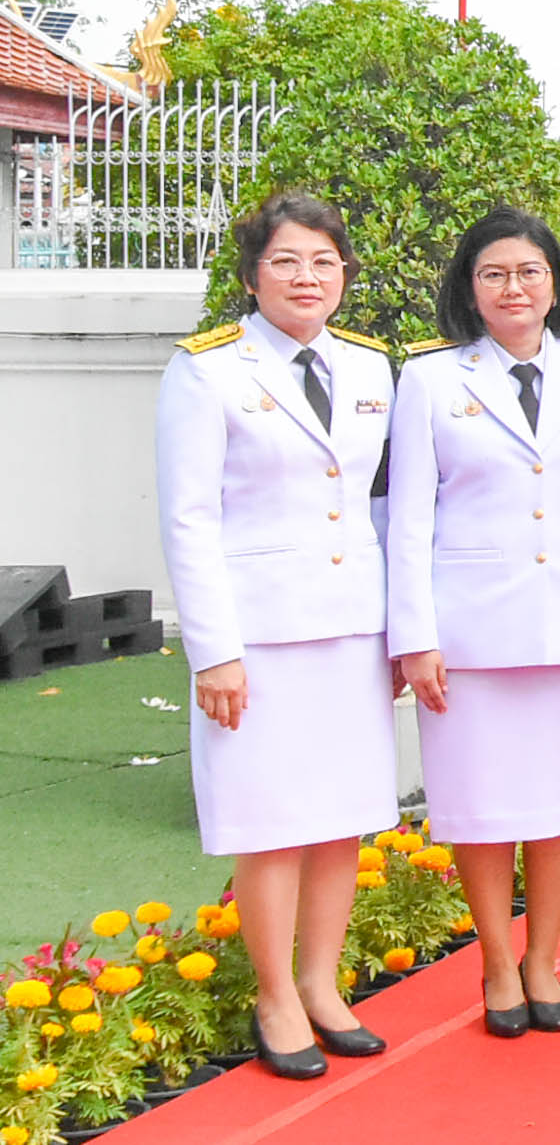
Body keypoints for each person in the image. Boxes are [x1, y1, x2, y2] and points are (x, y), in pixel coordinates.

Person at [153, 190, 398, 1078]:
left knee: (342, 816)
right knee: (270, 819)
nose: (306, 277)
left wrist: (398, 631)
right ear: (253, 274)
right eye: (286, 260)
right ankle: (275, 995)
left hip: (352, 626)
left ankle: (321, 983)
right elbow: (188, 518)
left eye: (324, 261)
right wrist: (214, 650)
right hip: (257, 636)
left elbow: (380, 505)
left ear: (344, 274)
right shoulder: (208, 370)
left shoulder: (370, 367)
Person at [386, 209, 560, 1040]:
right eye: (493, 273)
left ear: (556, 283)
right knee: (478, 805)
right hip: (470, 633)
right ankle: (494, 960)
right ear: (469, 287)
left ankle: (544, 956)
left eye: (528, 271)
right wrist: (414, 636)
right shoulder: (430, 379)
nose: (512, 287)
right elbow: (408, 517)